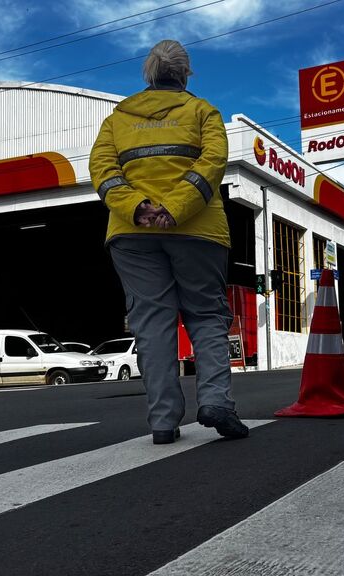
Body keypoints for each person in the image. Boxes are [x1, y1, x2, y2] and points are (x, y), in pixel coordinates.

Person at [90, 40, 247, 445]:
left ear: (148, 73)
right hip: (198, 230)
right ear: (185, 73)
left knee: (152, 324)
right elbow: (212, 163)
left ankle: (162, 422)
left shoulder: (117, 120)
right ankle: (215, 402)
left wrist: (139, 208)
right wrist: (175, 207)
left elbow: (103, 172)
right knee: (207, 316)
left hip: (131, 233)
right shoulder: (202, 112)